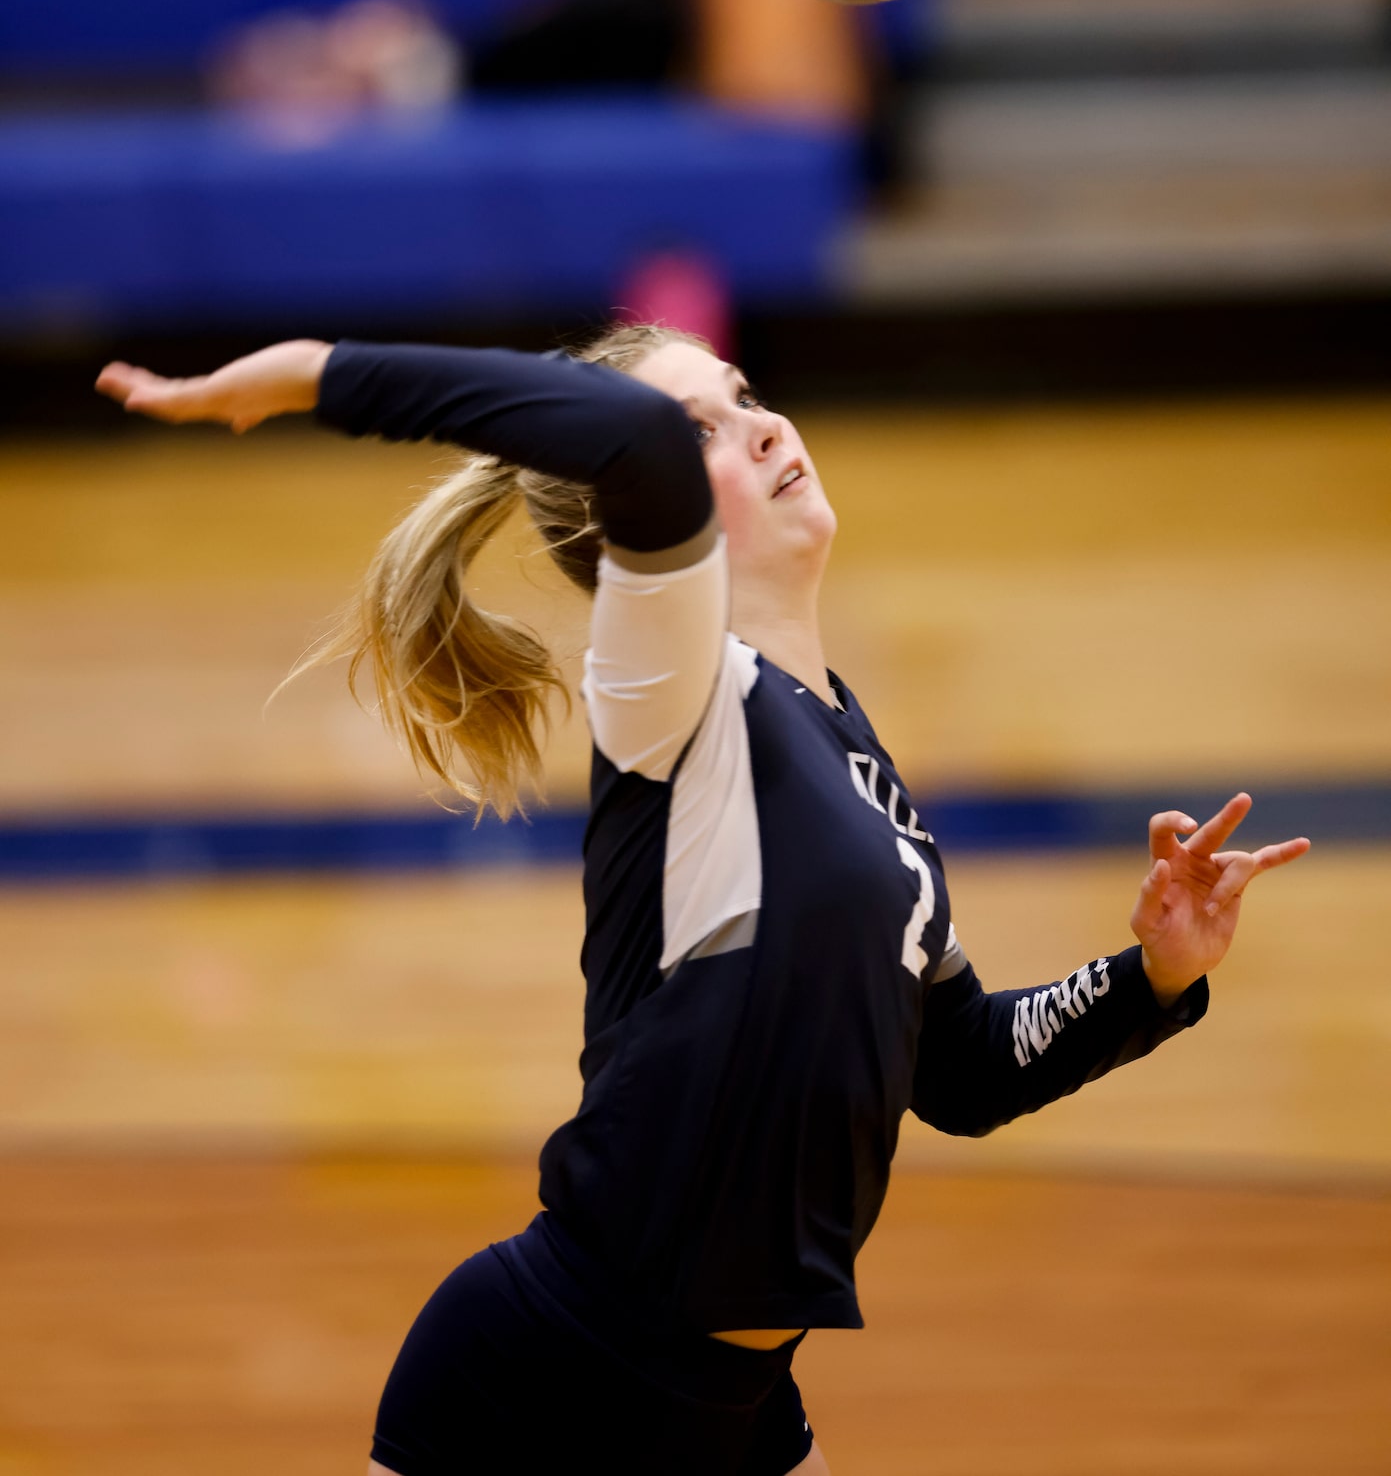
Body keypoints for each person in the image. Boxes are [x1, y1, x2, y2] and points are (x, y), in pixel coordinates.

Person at [96, 328, 1310, 1476]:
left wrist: (1149, 975)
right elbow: (620, 437)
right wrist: (314, 374)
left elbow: (962, 1071)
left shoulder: (853, 755)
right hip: (550, 1368)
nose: (763, 425)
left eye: (744, 394)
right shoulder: (670, 684)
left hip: (737, 1408)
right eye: (705, 427)